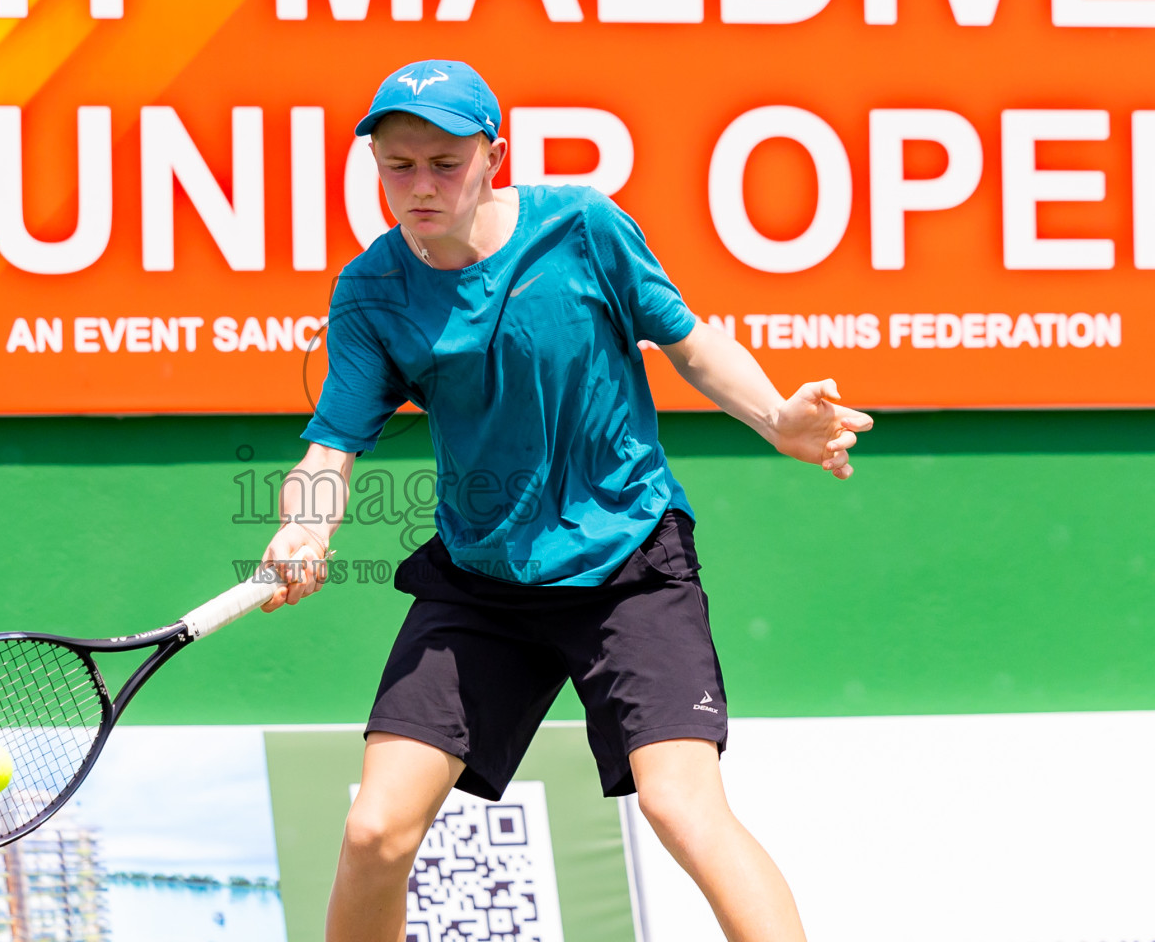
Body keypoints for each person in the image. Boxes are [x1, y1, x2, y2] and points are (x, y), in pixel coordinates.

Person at [258, 59, 872, 942]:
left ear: (493, 158)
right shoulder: (373, 292)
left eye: (446, 162)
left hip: (629, 561)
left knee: (680, 806)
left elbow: (690, 342)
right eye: (400, 165)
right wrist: (302, 525)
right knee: (375, 831)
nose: (421, 186)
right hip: (482, 582)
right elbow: (331, 447)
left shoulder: (582, 226)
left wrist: (778, 416)